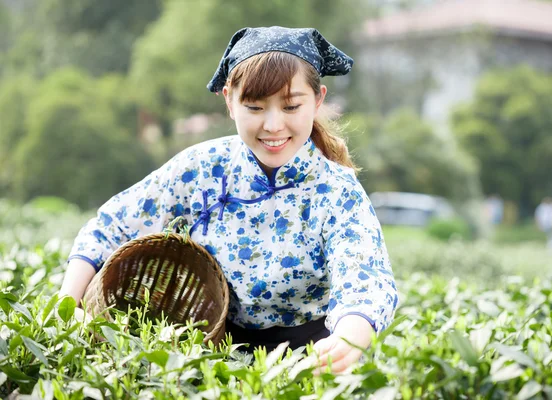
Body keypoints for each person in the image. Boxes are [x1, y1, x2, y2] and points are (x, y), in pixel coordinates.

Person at [59, 26, 398, 374]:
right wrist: (68, 303)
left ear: (318, 100)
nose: (273, 124)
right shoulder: (202, 167)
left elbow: (365, 274)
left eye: (291, 105)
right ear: (229, 102)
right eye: (254, 106)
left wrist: (349, 337)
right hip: (214, 355)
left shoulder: (336, 189)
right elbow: (112, 225)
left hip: (312, 357)